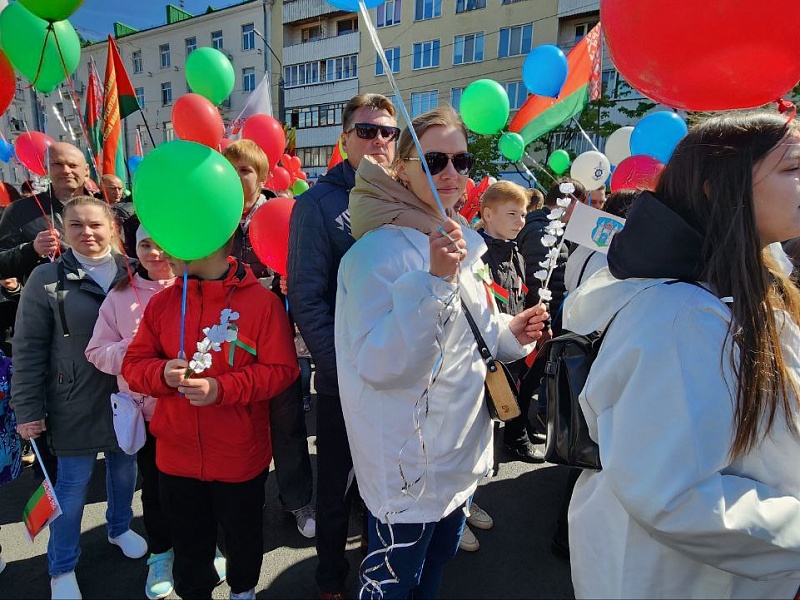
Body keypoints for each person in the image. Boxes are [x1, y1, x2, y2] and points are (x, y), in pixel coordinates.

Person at [564, 110, 800, 598]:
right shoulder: (679, 316)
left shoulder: (748, 291)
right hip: (678, 581)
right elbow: (672, 493)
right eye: (792, 168)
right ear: (718, 187)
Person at [336, 106, 549, 599]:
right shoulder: (373, 255)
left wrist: (513, 332)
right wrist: (432, 283)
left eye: (462, 161)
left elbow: (477, 334)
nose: (451, 174)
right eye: (434, 161)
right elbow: (378, 364)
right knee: (392, 583)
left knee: (436, 567)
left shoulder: (460, 242)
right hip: (409, 467)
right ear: (401, 167)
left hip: (460, 455)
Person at [121, 234, 300, 600]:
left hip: (239, 456)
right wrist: (161, 375)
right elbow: (133, 365)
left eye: (176, 239)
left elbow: (282, 370)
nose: (164, 252)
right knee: (188, 541)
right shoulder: (162, 304)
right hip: (176, 457)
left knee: (243, 535)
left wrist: (223, 389)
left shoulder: (262, 304)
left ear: (207, 239)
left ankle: (243, 590)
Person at [287, 92, 398, 600]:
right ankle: (330, 579)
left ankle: (383, 571)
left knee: (386, 489)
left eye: (387, 132)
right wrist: (343, 372)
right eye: (367, 130)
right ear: (344, 140)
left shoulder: (403, 197)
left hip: (397, 375)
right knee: (335, 489)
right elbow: (306, 300)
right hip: (343, 382)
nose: (378, 140)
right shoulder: (317, 205)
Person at [12, 196, 146, 599]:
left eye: (95, 225)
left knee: (125, 472)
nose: (87, 233)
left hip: (126, 397)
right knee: (71, 489)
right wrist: (28, 409)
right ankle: (61, 566)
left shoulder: (133, 270)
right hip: (71, 401)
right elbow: (29, 348)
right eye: (76, 226)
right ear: (63, 230)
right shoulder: (46, 279)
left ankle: (119, 527)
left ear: (111, 228)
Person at [84, 226, 186, 599]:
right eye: (146, 245)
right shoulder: (119, 295)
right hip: (148, 416)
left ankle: (202, 545)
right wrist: (135, 348)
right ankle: (161, 553)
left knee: (198, 489)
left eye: (163, 245)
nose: (155, 253)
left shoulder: (196, 286)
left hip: (196, 411)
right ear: (133, 248)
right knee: (156, 491)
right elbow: (96, 352)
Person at [223, 139, 317, 539]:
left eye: (246, 170)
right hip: (229, 340)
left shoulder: (288, 214)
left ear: (262, 177)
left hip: (278, 339)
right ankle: (244, 501)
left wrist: (291, 279)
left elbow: (314, 269)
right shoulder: (216, 217)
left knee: (287, 423)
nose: (238, 177)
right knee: (238, 426)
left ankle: (298, 500)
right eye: (231, 169)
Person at [0, 142, 95, 283]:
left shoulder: (106, 211)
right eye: (57, 164)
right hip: (48, 299)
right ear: (46, 169)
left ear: (86, 170)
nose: (66, 170)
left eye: (73, 165)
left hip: (105, 299)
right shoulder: (19, 211)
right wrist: (32, 249)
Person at [564, 188, 638, 293]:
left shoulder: (584, 246)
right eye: (593, 202)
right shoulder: (614, 261)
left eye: (601, 202)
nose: (598, 206)